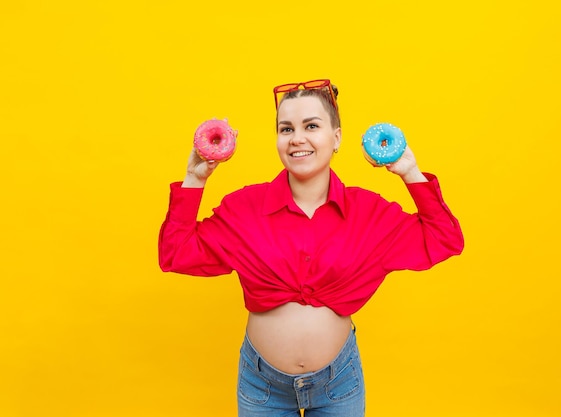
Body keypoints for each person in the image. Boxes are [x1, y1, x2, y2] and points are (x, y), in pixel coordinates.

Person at [158, 79, 464, 416]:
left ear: (336, 138)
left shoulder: (370, 213)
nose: (297, 138)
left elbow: (444, 238)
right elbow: (177, 251)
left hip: (338, 385)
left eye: (311, 126)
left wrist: (410, 172)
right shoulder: (243, 207)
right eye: (286, 128)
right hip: (262, 387)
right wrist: (195, 177)